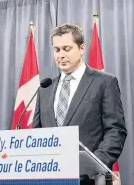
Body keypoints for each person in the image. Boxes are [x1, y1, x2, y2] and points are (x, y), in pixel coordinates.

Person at [32, 23, 127, 170]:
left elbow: (115, 131)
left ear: (81, 48)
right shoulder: (45, 88)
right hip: (51, 175)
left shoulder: (105, 83)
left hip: (89, 177)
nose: (61, 55)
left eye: (66, 49)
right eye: (56, 50)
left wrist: (95, 164)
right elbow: (37, 135)